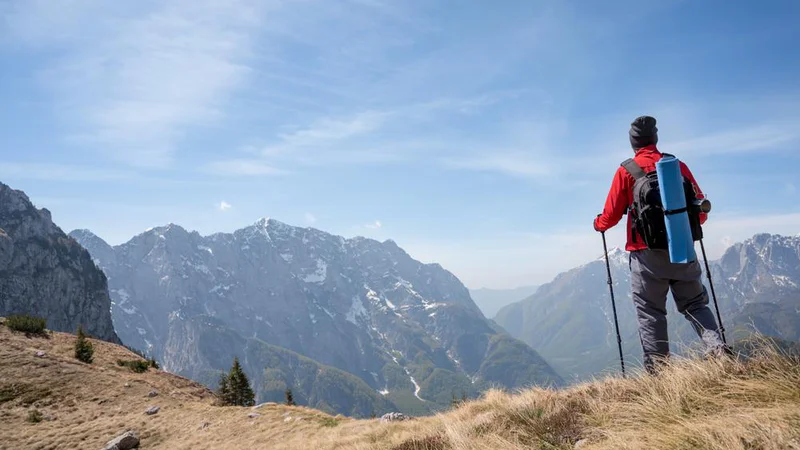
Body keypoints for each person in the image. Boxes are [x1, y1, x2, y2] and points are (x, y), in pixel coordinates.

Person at [593, 115, 729, 374]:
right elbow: (700, 211)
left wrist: (598, 224)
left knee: (651, 312)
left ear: (633, 142)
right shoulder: (677, 166)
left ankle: (660, 374)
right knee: (696, 305)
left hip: (646, 256)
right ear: (655, 138)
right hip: (682, 249)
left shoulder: (627, 171)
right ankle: (719, 352)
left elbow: (609, 216)